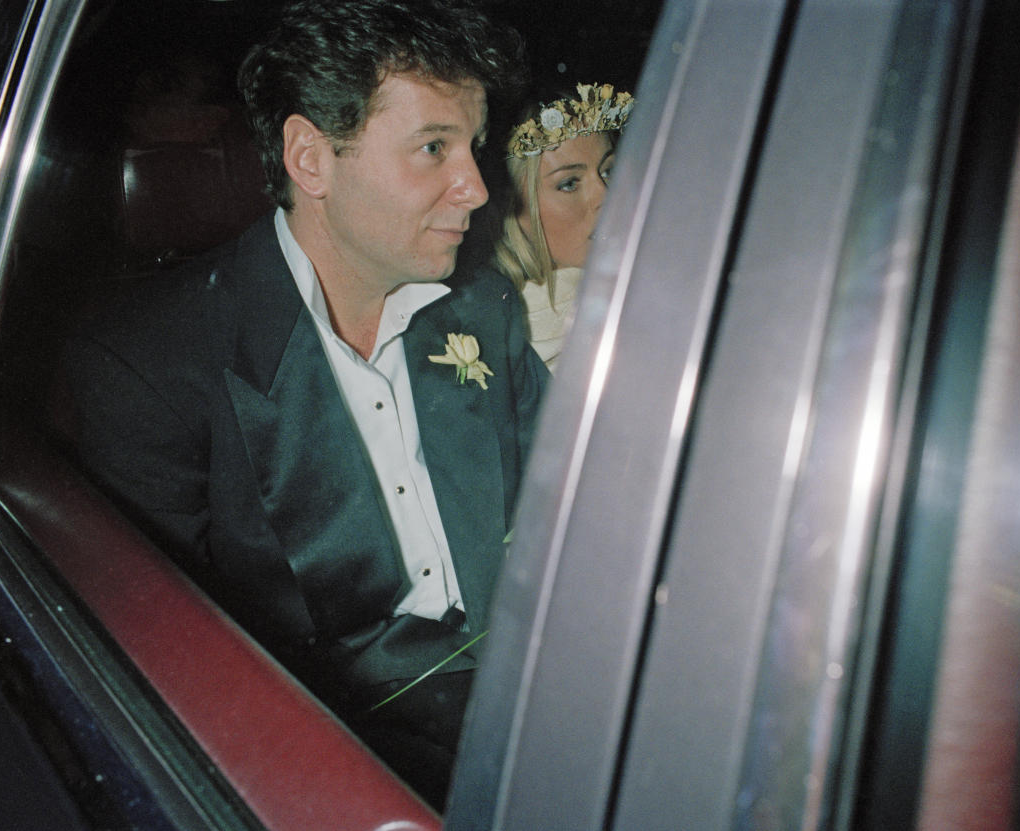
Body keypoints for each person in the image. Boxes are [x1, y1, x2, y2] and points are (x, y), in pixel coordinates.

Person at [61, 0, 545, 809]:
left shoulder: (483, 307)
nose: (476, 187)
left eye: (475, 146)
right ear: (311, 159)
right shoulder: (148, 366)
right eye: (434, 148)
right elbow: (166, 681)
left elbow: (572, 504)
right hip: (334, 743)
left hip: (529, 685)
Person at [492, 83, 634, 368]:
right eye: (569, 183)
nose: (606, 195)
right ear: (513, 211)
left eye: (609, 170)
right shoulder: (489, 336)